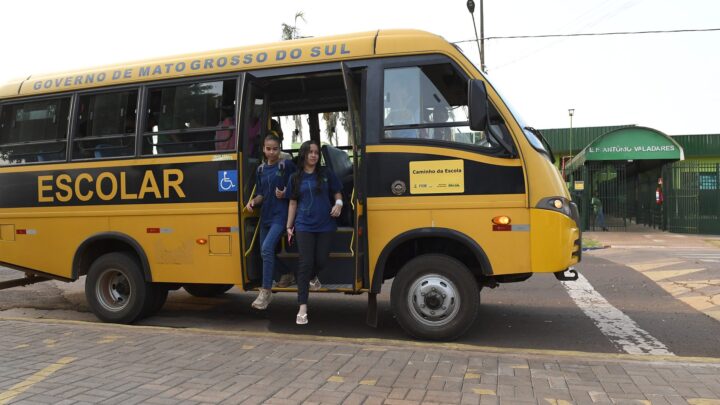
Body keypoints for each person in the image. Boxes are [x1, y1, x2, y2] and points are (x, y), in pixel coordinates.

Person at [285, 140, 343, 325]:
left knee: (321, 260)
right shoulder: (295, 177)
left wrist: (339, 204)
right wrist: (289, 226)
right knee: (305, 262)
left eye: (316, 152)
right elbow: (292, 203)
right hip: (303, 225)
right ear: (304, 154)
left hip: (326, 224)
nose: (314, 155)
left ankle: (311, 276)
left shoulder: (326, 173)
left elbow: (337, 192)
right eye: (310, 152)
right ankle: (302, 307)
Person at [245, 134, 297, 310]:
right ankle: (287, 273)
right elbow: (261, 194)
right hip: (266, 215)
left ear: (279, 148)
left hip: (281, 215)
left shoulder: (286, 165)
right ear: (263, 149)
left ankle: (266, 291)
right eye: (268, 148)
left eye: (275, 148)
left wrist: (286, 193)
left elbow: (298, 185)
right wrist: (253, 202)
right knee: (263, 252)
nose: (272, 152)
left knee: (266, 249)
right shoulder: (260, 170)